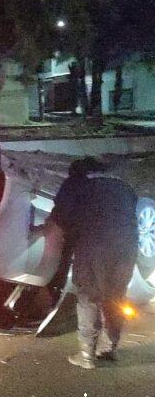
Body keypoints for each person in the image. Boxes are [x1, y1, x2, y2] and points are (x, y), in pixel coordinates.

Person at [48, 157, 139, 369]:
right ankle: (108, 349)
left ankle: (87, 355)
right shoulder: (123, 186)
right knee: (115, 296)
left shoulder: (77, 185)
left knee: (89, 296)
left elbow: (62, 217)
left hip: (95, 244)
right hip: (127, 246)